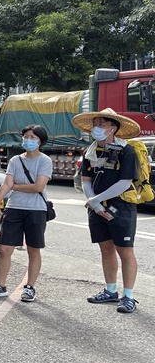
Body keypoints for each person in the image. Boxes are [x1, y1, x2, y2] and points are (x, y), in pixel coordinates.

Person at [72, 107, 141, 313]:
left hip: (120, 207)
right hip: (96, 208)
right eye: (95, 124)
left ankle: (128, 296)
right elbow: (86, 180)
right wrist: (94, 203)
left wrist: (97, 200)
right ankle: (111, 291)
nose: (97, 128)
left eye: (102, 124)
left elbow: (125, 182)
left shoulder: (126, 150)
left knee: (125, 251)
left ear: (113, 128)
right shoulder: (91, 151)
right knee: (105, 248)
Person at [0, 125, 52, 302]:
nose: (28, 140)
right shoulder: (15, 160)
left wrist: (14, 186)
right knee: (5, 248)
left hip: (36, 209)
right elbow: (6, 183)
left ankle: (30, 287)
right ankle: (0, 285)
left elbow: (38, 186)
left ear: (40, 141)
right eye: (26, 137)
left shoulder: (45, 161)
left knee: (33, 249)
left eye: (32, 137)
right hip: (14, 207)